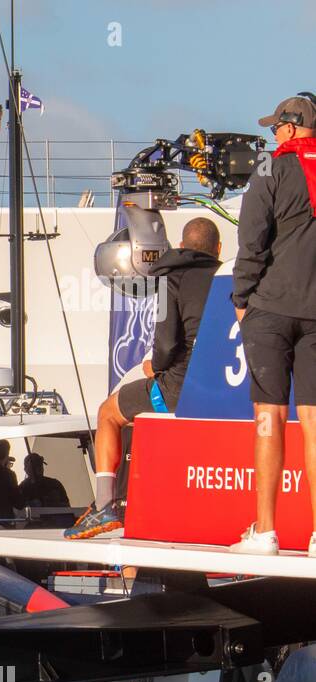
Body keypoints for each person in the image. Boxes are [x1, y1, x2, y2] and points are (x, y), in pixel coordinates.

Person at [67, 217, 222, 539]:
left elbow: (166, 343)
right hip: (226, 388)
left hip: (181, 387)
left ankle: (105, 504)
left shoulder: (173, 277)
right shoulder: (229, 277)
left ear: (181, 246)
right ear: (218, 249)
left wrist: (157, 365)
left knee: (108, 413)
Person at [231, 96, 316, 555]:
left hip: (271, 309)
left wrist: (241, 297)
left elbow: (252, 238)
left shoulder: (271, 168)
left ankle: (265, 531)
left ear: (289, 127)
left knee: (269, 416)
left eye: (275, 128)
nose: (271, 136)